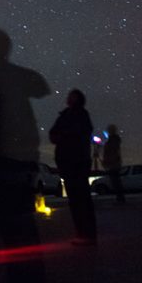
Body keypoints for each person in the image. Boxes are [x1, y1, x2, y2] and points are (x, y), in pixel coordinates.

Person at [0, 28, 49, 283]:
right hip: (16, 157)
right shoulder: (7, 75)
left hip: (8, 158)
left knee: (16, 228)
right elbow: (40, 87)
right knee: (18, 227)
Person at [50, 89, 96, 245]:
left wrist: (63, 136)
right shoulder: (65, 115)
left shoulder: (81, 115)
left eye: (72, 95)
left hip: (77, 162)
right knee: (75, 200)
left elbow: (78, 134)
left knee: (81, 199)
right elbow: (53, 133)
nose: (68, 97)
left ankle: (87, 234)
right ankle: (82, 233)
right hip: (67, 163)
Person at [102, 124, 125, 204]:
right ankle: (120, 198)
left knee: (116, 182)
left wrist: (107, 162)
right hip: (114, 163)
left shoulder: (113, 140)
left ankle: (120, 199)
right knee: (116, 181)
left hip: (113, 164)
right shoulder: (114, 140)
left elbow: (112, 152)